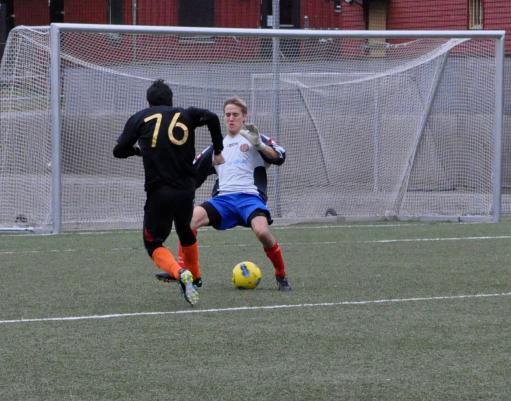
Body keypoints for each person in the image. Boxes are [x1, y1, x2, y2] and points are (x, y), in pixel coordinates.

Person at [157, 96, 291, 291]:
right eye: (227, 115)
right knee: (189, 220)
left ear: (244, 116)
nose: (231, 118)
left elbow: (280, 156)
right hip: (223, 201)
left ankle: (281, 275)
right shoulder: (217, 146)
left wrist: (260, 146)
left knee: (262, 232)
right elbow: (192, 170)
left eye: (235, 114)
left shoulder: (255, 138)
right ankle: (184, 270)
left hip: (250, 198)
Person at [113, 79, 224, 305]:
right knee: (185, 230)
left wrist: (137, 151)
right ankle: (196, 276)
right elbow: (212, 117)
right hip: (186, 189)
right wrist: (218, 149)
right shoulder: (187, 114)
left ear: (149, 102)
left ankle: (179, 272)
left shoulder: (140, 117)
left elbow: (119, 151)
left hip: (159, 191)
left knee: (153, 242)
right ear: (171, 100)